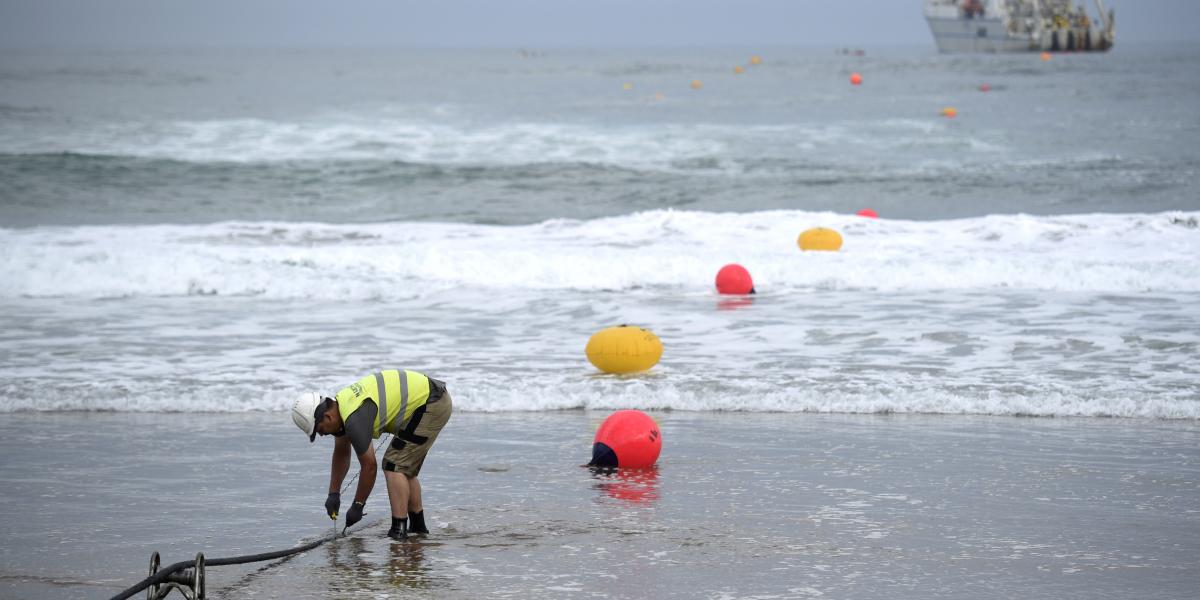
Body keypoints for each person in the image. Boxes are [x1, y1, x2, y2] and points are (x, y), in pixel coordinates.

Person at [292, 369, 452, 540]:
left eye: (319, 429)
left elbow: (369, 467)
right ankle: (418, 529)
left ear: (328, 416)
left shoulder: (353, 418)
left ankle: (399, 531)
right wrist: (333, 493)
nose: (322, 435)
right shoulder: (343, 408)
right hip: (430, 399)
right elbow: (341, 453)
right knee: (403, 468)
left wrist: (358, 506)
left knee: (393, 465)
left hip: (431, 403)